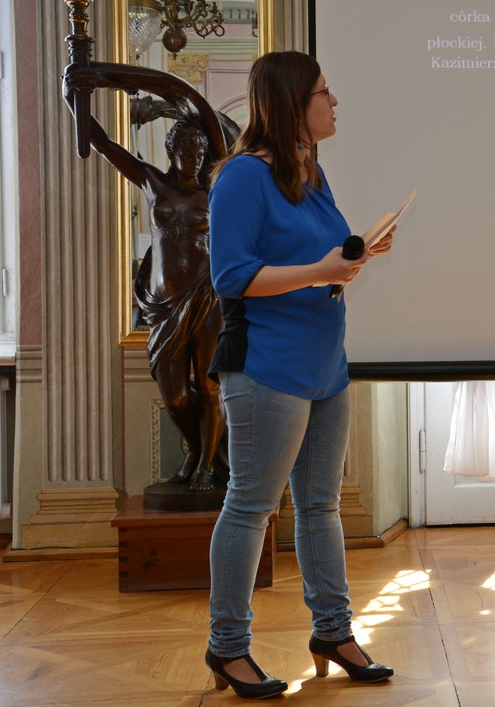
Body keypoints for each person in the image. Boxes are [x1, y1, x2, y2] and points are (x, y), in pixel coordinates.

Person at [204, 50, 395, 698]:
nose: (334, 102)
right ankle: (228, 648)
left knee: (320, 507)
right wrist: (322, 270)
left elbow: (318, 262)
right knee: (251, 508)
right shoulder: (242, 177)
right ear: (291, 102)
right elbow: (232, 277)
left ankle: (333, 632)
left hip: (324, 365)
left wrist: (355, 256)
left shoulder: (311, 173)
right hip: (267, 368)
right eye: (323, 92)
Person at [63, 62, 236, 492]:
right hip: (165, 306)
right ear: (171, 151)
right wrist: (73, 99)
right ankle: (203, 450)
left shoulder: (215, 191)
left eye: (200, 152)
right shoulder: (154, 183)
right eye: (187, 151)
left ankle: (204, 465)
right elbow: (104, 144)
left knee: (209, 388)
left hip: (206, 297)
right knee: (175, 394)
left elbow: (210, 120)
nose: (194, 158)